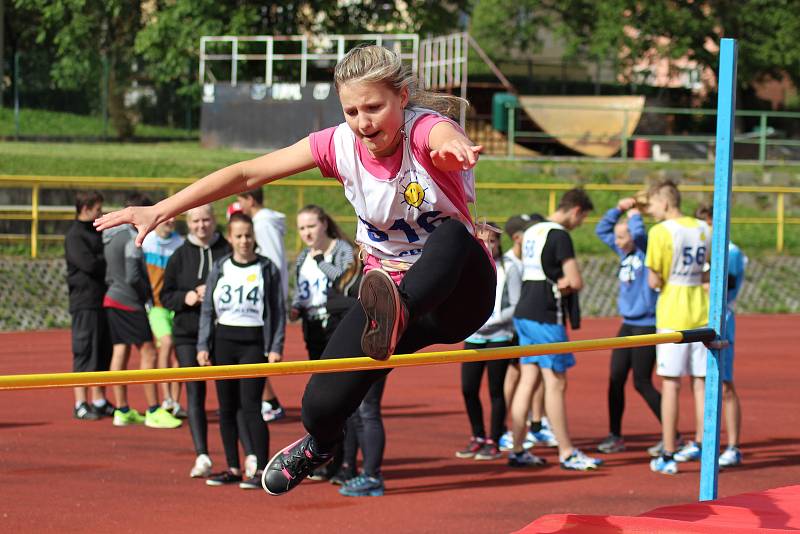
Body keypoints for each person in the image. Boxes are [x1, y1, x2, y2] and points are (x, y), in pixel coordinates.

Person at [95, 44, 495, 497]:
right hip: (389, 294)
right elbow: (247, 174)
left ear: (402, 97)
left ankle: (397, 312)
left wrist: (453, 145)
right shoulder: (339, 145)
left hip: (459, 293)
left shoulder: (423, 128)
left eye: (374, 107)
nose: (364, 123)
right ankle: (322, 446)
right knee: (318, 406)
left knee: (453, 236)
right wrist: (162, 210)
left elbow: (440, 137)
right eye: (352, 110)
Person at [510, 188, 602, 470]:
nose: (580, 224)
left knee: (528, 379)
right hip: (546, 315)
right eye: (582, 218)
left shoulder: (532, 230)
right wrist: (568, 282)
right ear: (576, 211)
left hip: (524, 310)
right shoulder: (560, 235)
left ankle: (516, 448)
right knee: (555, 382)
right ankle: (566, 451)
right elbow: (574, 280)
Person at [197, 212, 286, 490]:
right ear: (230, 238)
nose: (244, 241)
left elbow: (277, 310)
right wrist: (203, 344)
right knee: (226, 408)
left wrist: (275, 346)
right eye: (238, 236)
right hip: (224, 340)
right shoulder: (221, 267)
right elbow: (208, 309)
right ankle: (233, 466)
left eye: (248, 235)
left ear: (254, 237)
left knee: (251, 407)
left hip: (253, 342)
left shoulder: (266, 268)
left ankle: (261, 468)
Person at [161, 204, 232, 478]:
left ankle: (237, 457)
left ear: (214, 221)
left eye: (206, 220)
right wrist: (187, 297)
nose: (201, 226)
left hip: (222, 332)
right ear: (188, 224)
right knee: (195, 394)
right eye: (195, 221)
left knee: (229, 395)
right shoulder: (179, 256)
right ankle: (202, 454)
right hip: (187, 333)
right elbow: (166, 295)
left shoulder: (227, 250)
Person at [646, 180, 711, 475]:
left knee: (670, 384)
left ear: (665, 202)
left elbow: (654, 280)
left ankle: (669, 450)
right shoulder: (703, 228)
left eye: (653, 203)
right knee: (700, 383)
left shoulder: (659, 232)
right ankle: (700, 443)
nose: (651, 209)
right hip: (701, 309)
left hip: (673, 311)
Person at [102, 193, 182, 429]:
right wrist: (146, 294)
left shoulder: (110, 235)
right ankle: (153, 409)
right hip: (130, 301)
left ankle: (122, 409)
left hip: (113, 298)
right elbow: (133, 275)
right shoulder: (132, 238)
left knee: (120, 351)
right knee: (148, 352)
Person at [594, 196, 661, 454]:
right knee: (615, 378)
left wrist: (634, 214)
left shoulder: (645, 250)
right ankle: (615, 435)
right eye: (618, 238)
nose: (618, 242)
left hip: (647, 324)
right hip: (627, 324)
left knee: (642, 382)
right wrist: (618, 209)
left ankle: (672, 434)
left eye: (623, 237)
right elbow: (602, 230)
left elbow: (640, 233)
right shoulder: (624, 250)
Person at [497, 213, 557, 453]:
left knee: (536, 376)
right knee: (514, 377)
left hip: (526, 324)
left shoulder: (532, 259)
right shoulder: (510, 263)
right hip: (512, 327)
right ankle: (503, 428)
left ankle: (536, 422)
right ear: (518, 237)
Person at [455, 222, 514, 462]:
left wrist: (494, 320)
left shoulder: (510, 267)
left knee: (495, 391)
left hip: (499, 336)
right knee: (468, 389)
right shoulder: (469, 265)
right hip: (474, 335)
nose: (489, 245)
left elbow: (517, 303)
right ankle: (478, 436)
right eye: (484, 241)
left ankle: (495, 439)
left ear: (499, 244)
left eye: (493, 241)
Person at [696, 204, 745, 468]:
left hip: (721, 318)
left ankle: (733, 446)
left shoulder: (731, 251)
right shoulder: (703, 250)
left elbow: (726, 285)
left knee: (724, 384)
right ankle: (702, 440)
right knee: (700, 382)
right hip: (698, 317)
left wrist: (701, 279)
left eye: (708, 224)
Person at [236, 188, 288, 423]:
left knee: (256, 351)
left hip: (264, 297)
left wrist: (273, 295)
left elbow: (273, 261)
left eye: (239, 198)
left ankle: (269, 402)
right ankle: (264, 400)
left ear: (249, 199)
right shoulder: (261, 222)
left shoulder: (263, 224)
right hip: (259, 295)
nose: (238, 204)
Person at [64, 190, 114, 420]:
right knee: (84, 351)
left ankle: (99, 400)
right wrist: (109, 260)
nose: (100, 213)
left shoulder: (97, 232)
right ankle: (80, 403)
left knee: (103, 352)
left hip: (103, 300)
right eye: (97, 209)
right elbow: (90, 264)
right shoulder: (75, 235)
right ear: (86, 209)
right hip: (85, 302)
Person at [290, 205, 356, 360]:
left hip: (338, 323)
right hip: (313, 327)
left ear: (324, 224)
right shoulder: (303, 256)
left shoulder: (341, 249)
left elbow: (345, 281)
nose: (307, 233)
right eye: (302, 228)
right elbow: (300, 291)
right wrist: (296, 307)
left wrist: (321, 261)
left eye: (311, 226)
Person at [142, 217, 186, 418]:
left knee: (179, 353)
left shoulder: (180, 243)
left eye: (174, 217)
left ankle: (175, 402)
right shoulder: (147, 242)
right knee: (166, 342)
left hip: (175, 305)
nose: (172, 220)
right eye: (167, 217)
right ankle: (166, 397)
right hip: (157, 306)